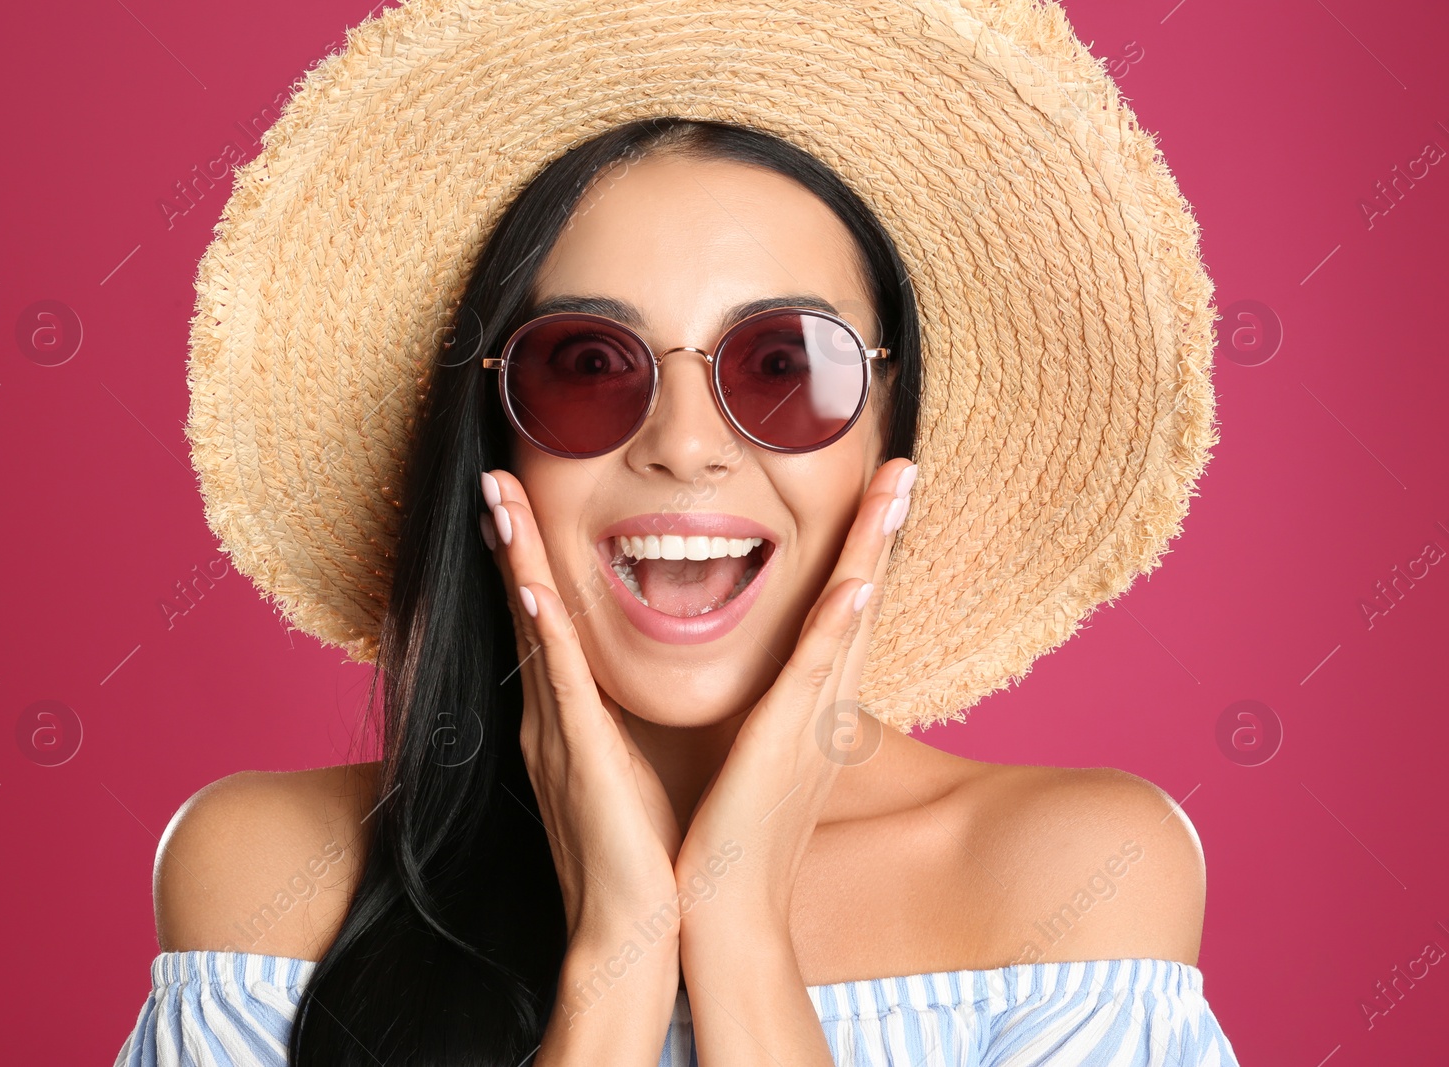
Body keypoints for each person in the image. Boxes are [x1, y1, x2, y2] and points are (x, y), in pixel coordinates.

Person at [115, 2, 1239, 1064]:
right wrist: (616, 958)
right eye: (590, 366)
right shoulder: (271, 873)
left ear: (889, 440)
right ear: (493, 446)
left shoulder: (1073, 877)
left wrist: (739, 927)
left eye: (785, 364)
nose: (687, 445)